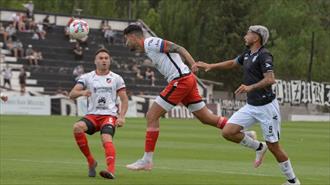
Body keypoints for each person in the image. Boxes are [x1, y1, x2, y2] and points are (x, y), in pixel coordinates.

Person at [123, 24, 255, 171]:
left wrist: (193, 64)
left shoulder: (151, 42)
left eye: (126, 39)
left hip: (181, 80)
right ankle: (244, 133)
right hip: (186, 80)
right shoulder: (148, 48)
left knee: (151, 115)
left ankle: (146, 160)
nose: (126, 43)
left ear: (133, 37)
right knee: (206, 118)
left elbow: (179, 48)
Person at [196, 25, 300, 185]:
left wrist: (249, 87)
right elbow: (232, 63)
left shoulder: (264, 55)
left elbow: (270, 79)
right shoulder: (247, 54)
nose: (245, 35)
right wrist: (211, 65)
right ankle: (259, 147)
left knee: (274, 147)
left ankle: (293, 181)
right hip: (251, 106)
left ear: (256, 37)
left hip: (267, 108)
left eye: (249, 33)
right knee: (228, 132)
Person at [69, 48, 128, 180]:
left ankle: (110, 171)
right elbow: (72, 94)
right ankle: (91, 161)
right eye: (101, 58)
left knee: (106, 137)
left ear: (110, 61)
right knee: (77, 127)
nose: (104, 60)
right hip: (92, 116)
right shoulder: (87, 77)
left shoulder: (116, 78)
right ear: (95, 61)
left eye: (106, 58)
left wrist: (122, 116)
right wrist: (82, 93)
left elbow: (124, 99)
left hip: (109, 116)